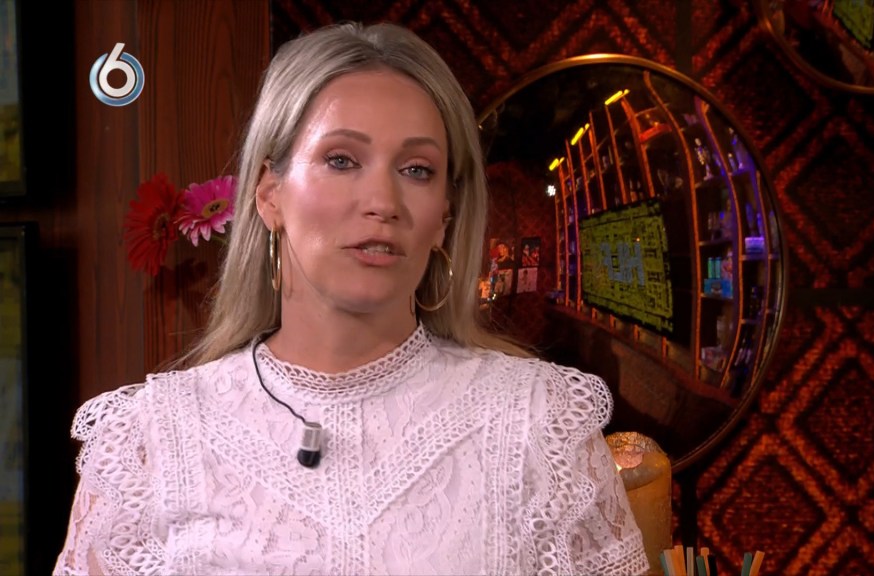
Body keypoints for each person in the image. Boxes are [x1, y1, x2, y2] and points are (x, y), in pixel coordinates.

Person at [53, 21, 648, 576]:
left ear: (444, 217)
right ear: (270, 194)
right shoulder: (146, 443)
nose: (383, 201)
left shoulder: (543, 425)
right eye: (341, 160)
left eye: (417, 169)